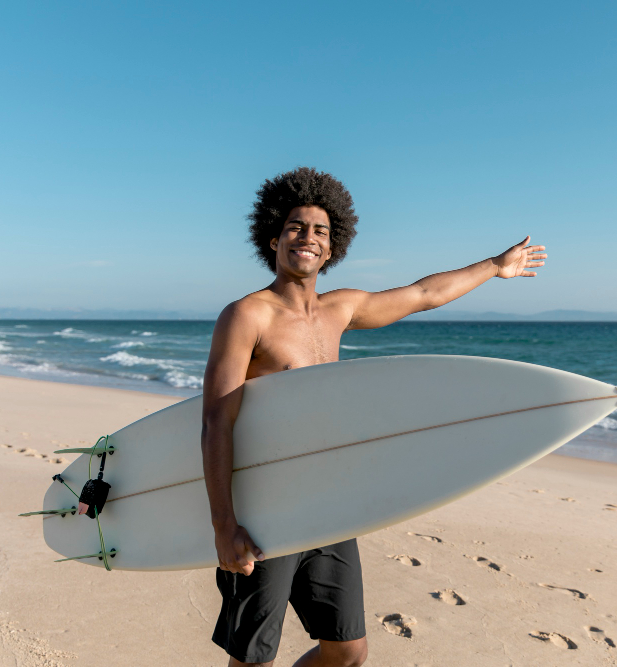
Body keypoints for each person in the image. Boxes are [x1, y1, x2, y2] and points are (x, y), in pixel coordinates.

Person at [201, 167, 547, 667]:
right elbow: (217, 420)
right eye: (297, 227)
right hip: (266, 506)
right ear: (273, 237)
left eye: (321, 231)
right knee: (254, 658)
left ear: (332, 246)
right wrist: (223, 525)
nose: (309, 238)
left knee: (347, 650)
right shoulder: (247, 315)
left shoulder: (340, 309)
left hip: (330, 504)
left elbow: (423, 295)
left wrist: (495, 266)